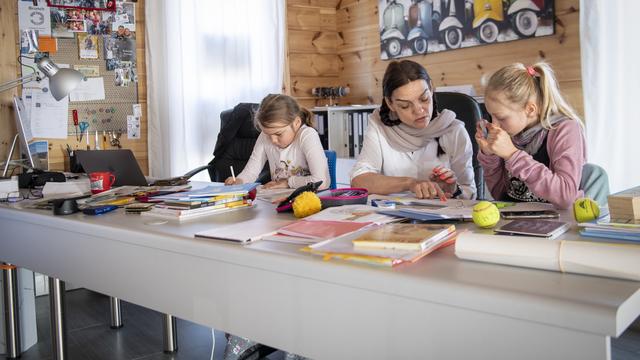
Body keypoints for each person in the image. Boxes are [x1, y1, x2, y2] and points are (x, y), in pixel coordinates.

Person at [350, 60, 476, 199]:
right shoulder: (379, 126)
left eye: (424, 99)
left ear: (431, 88)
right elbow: (359, 181)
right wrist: (409, 183)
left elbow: (470, 194)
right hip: (391, 216)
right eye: (405, 106)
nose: (419, 110)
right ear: (390, 103)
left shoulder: (454, 131)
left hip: (441, 217)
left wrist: (453, 190)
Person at [475, 62, 585, 209]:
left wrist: (512, 155)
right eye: (491, 116)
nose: (494, 125)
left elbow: (566, 196)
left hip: (559, 223)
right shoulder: (512, 132)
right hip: (517, 221)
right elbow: (501, 195)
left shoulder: (564, 130)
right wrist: (490, 156)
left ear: (530, 110)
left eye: (501, 118)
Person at [225, 94, 331, 190]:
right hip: (278, 199)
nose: (273, 140)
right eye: (267, 134)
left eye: (279, 134)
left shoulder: (307, 135)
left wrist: (287, 183)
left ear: (296, 123)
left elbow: (321, 182)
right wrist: (240, 181)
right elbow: (251, 171)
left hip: (308, 201)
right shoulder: (264, 136)